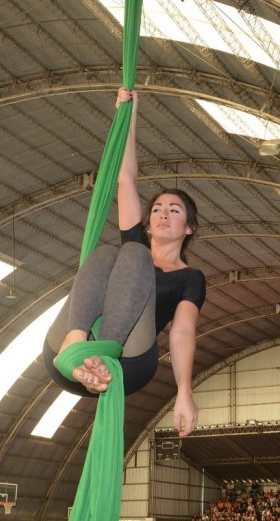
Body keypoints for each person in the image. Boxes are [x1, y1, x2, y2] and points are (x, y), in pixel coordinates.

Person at [42, 88, 205, 438]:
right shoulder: (132, 245)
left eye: (174, 211)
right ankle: (77, 344)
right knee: (105, 254)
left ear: (188, 227)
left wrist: (184, 392)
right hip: (68, 353)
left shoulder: (190, 277)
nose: (163, 213)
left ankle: (101, 353)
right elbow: (126, 178)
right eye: (158, 209)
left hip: (129, 362)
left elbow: (182, 332)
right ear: (147, 223)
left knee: (132, 254)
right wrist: (127, 117)